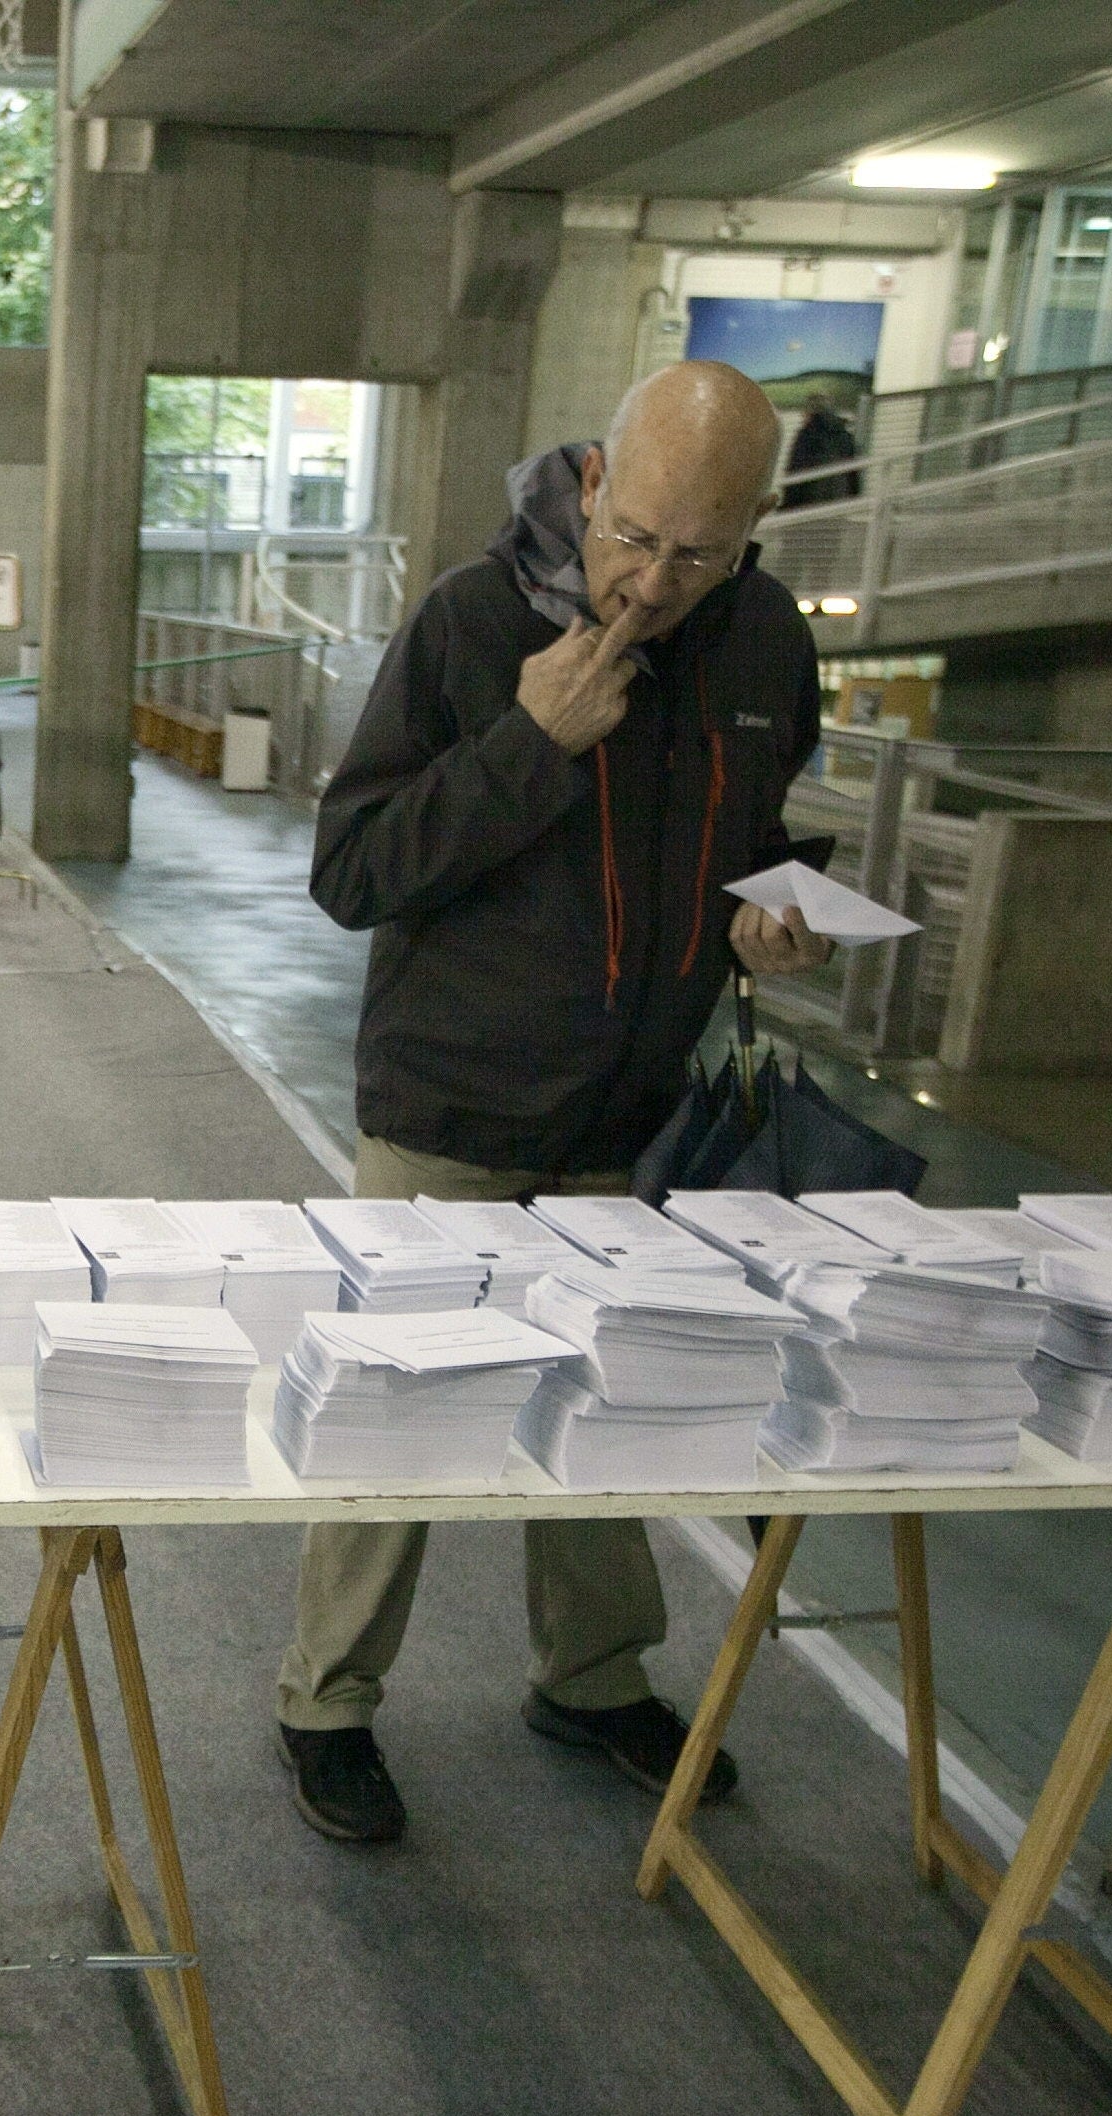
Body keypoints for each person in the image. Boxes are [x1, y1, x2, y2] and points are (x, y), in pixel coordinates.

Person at [275, 360, 841, 1846]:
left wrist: (765, 914)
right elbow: (353, 871)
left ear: (755, 531)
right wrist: (529, 747)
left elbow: (755, 829)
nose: (653, 581)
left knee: (612, 1413)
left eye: (699, 553)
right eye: (635, 535)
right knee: (399, 1412)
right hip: (450, 1109)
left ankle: (589, 1679)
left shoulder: (766, 641)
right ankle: (325, 1700)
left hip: (627, 1121)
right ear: (593, 480)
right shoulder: (471, 622)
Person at [783, 398, 862, 507]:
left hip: (809, 502)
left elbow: (796, 468)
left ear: (809, 413)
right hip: (839, 501)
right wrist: (854, 499)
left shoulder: (807, 435)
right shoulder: (845, 436)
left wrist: (787, 504)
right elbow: (853, 472)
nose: (802, 417)